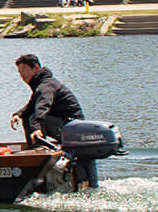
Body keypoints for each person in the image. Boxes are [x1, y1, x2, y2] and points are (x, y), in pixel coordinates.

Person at [11, 53, 95, 188]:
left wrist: (36, 128)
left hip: (71, 127)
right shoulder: (42, 84)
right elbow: (33, 104)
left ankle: (37, 149)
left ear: (36, 68)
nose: (22, 75)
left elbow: (42, 106)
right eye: (19, 72)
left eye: (24, 70)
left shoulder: (46, 85)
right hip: (68, 126)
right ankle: (36, 148)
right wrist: (18, 114)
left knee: (33, 118)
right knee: (28, 115)